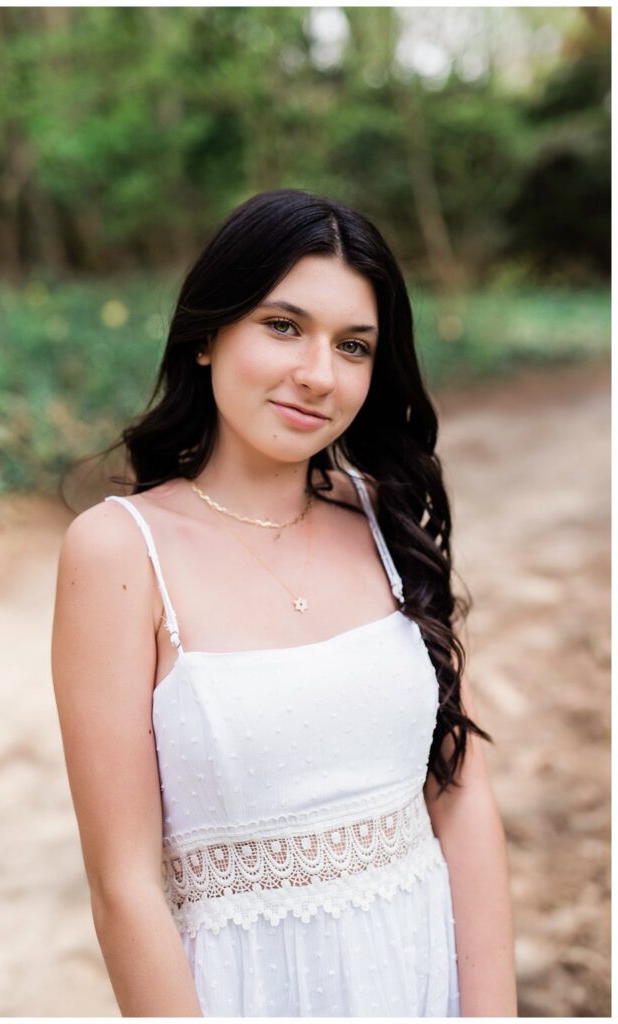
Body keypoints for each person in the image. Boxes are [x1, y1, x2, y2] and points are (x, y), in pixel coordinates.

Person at [51, 188, 517, 1017]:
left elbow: (460, 792)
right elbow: (123, 885)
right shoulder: (121, 550)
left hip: (419, 974)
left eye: (354, 345)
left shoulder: (385, 519)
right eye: (283, 326)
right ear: (207, 334)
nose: (317, 374)